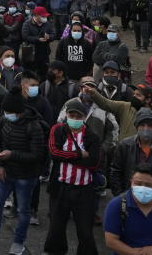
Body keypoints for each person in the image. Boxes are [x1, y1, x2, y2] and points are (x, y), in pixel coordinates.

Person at [0, 88, 46, 255]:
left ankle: (18, 242)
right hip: (5, 173)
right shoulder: (4, 121)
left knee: (23, 211)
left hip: (26, 176)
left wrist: (12, 155)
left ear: (19, 111)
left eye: (10, 112)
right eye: (5, 111)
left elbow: (37, 155)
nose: (7, 114)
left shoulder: (33, 126)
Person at [42, 101, 101, 255]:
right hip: (60, 187)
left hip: (84, 191)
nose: (74, 118)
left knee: (85, 231)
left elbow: (94, 162)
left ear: (84, 117)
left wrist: (67, 157)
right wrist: (79, 154)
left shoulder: (92, 136)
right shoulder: (57, 130)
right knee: (56, 228)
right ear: (66, 115)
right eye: (71, 115)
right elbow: (54, 153)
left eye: (78, 116)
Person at [103, 163, 152, 255]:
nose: (143, 188)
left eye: (148, 185)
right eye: (138, 183)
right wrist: (134, 253)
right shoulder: (116, 205)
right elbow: (111, 240)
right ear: (131, 183)